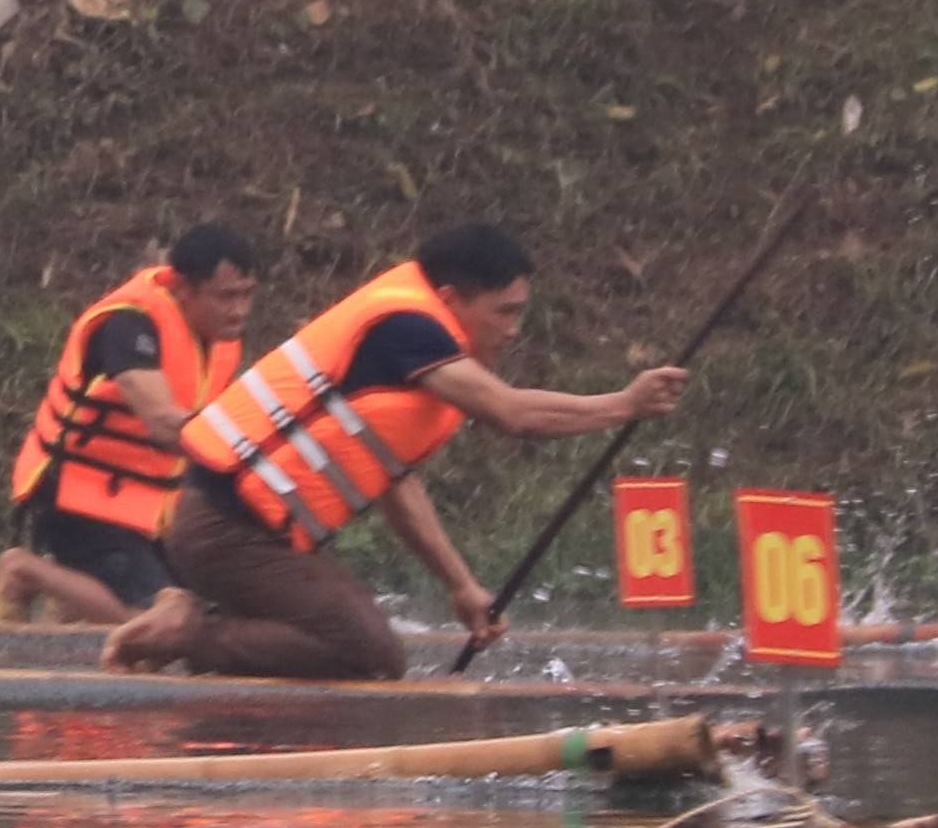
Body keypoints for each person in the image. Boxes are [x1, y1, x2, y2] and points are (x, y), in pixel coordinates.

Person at [113, 224, 686, 681]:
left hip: (240, 534)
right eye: (504, 312)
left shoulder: (416, 345)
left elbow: (393, 482)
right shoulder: (406, 328)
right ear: (451, 299)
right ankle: (190, 634)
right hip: (223, 532)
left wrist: (460, 585)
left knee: (364, 645)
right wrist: (622, 405)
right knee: (367, 653)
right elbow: (511, 413)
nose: (513, 330)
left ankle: (202, 617)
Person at [0, 224, 259, 626]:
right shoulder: (128, 325)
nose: (239, 310)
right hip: (75, 497)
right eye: (226, 297)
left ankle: (70, 599)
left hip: (148, 507)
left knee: (215, 610)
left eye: (247, 295)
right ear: (182, 288)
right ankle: (23, 572)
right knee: (161, 619)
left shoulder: (218, 338)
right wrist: (253, 451)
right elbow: (164, 424)